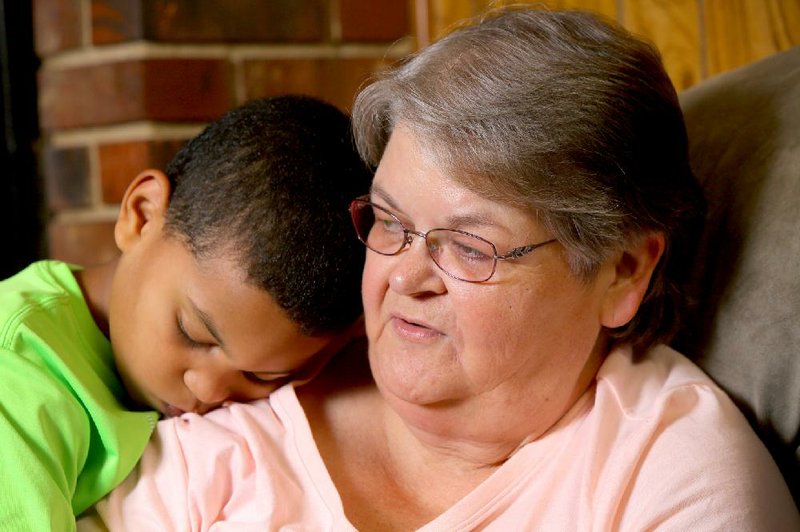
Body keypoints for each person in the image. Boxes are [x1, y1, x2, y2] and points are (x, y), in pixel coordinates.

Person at [85, 7, 799, 530]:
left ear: (622, 271)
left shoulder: (674, 484)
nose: (405, 275)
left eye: (468, 246)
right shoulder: (236, 409)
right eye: (390, 222)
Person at [0, 95, 372, 530]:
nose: (208, 390)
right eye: (193, 334)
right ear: (140, 216)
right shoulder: (19, 372)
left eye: (262, 377)